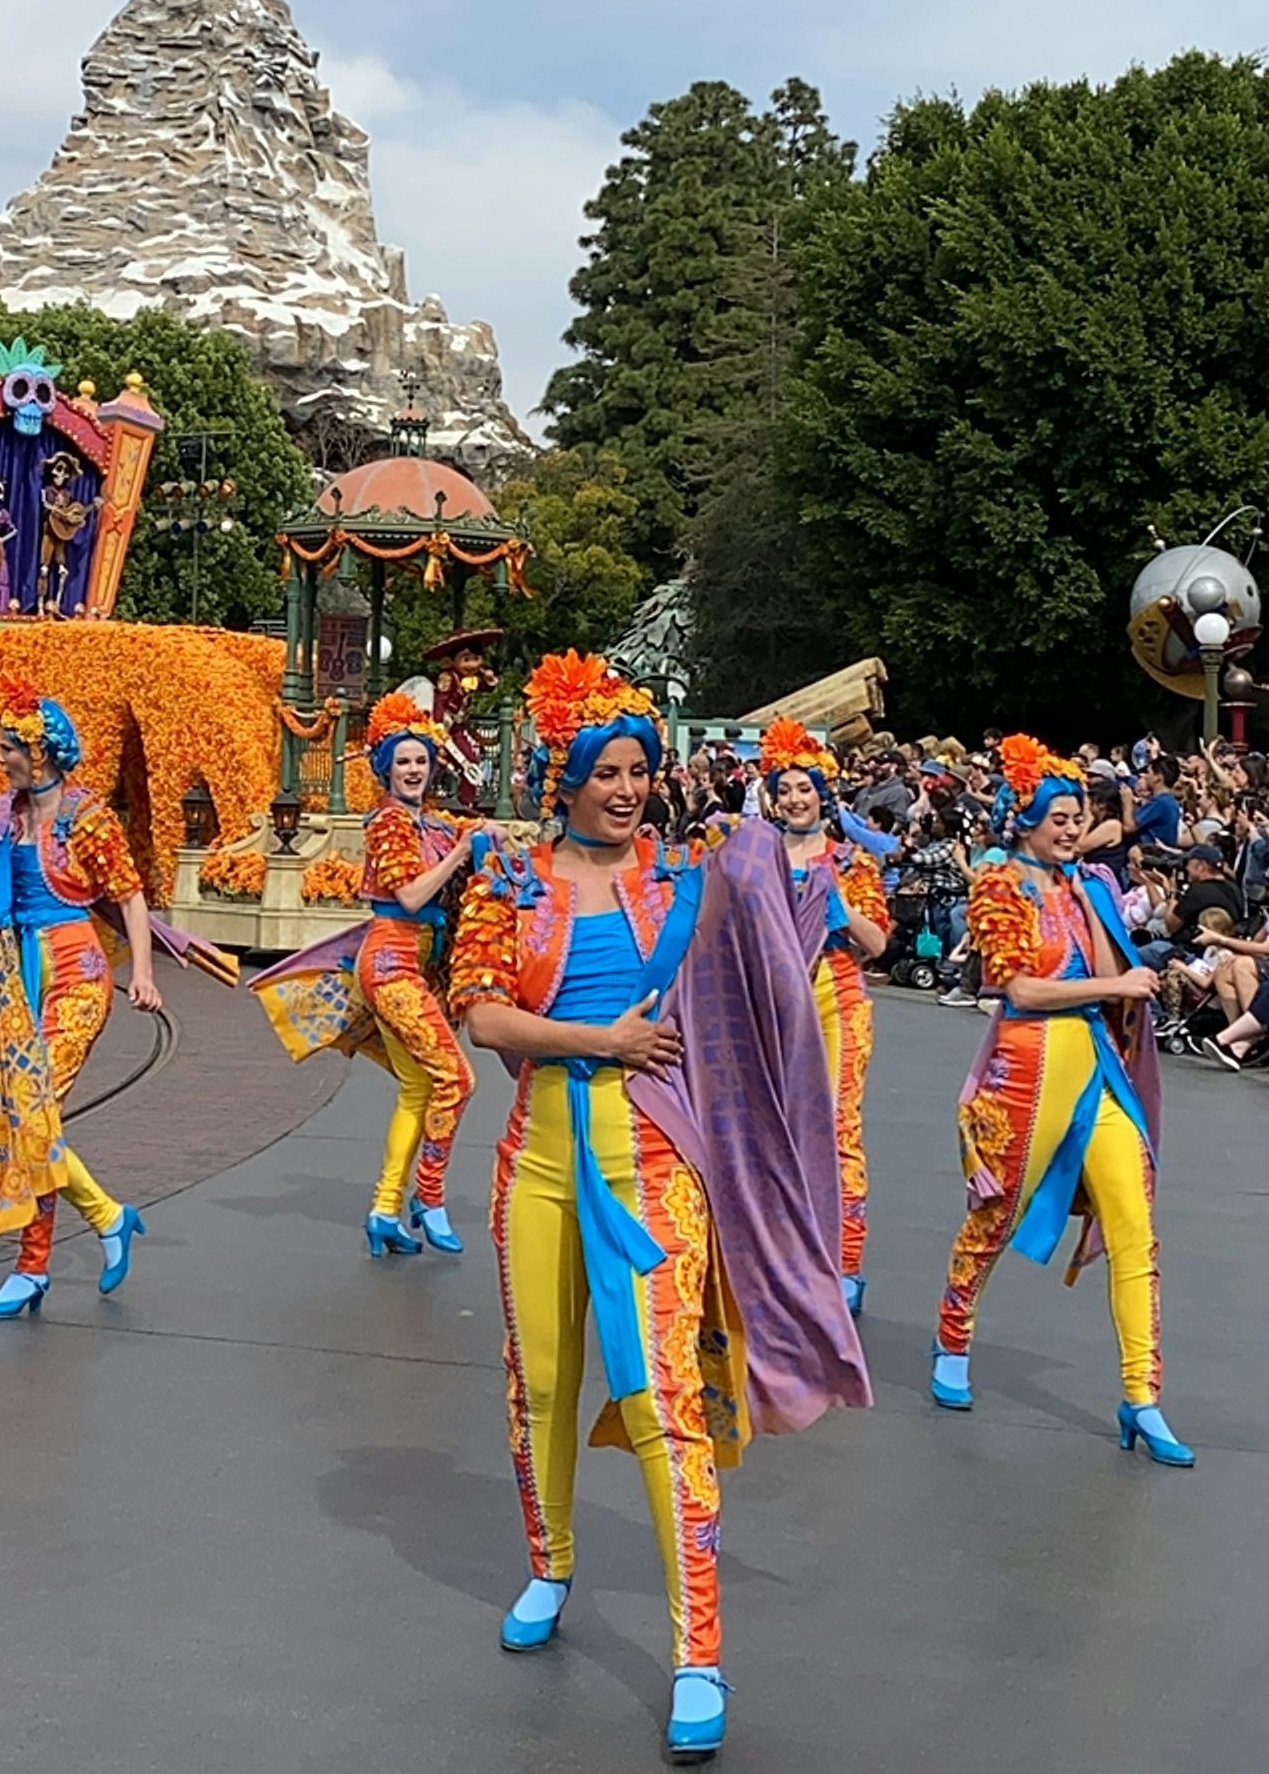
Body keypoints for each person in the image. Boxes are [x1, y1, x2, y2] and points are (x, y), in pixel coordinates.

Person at [441, 650, 861, 1763]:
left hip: (655, 1160)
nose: (627, 790)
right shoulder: (507, 881)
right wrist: (602, 1040)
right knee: (539, 1380)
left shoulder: (684, 880)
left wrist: (803, 849)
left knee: (664, 1394)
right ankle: (552, 1563)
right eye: (607, 772)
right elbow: (482, 1018)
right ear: (562, 779)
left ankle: (698, 1653)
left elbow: (776, 929)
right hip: (535, 1158)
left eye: (640, 771)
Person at [928, 736, 1190, 1465]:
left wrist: (1091, 904)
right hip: (1026, 1064)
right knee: (995, 1215)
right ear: (1025, 817)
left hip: (1098, 1067)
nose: (1073, 827)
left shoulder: (1091, 885)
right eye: (1061, 815)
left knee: (1135, 1224)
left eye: (1080, 815)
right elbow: (1019, 989)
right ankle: (953, 1336)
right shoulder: (998, 885)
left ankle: (1142, 1394)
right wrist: (1114, 985)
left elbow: (1118, 973)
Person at [0, 673, 173, 1318]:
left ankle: (33, 1266)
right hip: (13, 975)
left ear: (41, 751)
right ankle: (105, 1219)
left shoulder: (90, 819)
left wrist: (142, 971)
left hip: (75, 974)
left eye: (8, 749)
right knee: (30, 1120)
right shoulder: (4, 815)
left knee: (33, 1114)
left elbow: (131, 896)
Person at [255, 688, 491, 1255]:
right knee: (456, 1082)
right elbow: (410, 895)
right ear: (386, 768)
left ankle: (385, 1209)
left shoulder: (429, 824)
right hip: (390, 964)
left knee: (419, 1085)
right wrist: (463, 853)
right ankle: (428, 1198)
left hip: (419, 966)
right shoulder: (389, 824)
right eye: (403, 761)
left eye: (421, 761)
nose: (413, 770)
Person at [759, 717, 890, 1309]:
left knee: (838, 1130)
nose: (794, 799)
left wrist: (836, 907)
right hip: (773, 1001)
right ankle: (783, 1253)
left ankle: (847, 1259)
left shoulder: (852, 861)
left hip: (837, 997)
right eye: (784, 790)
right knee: (774, 1126)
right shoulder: (757, 857)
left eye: (804, 788)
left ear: (822, 792)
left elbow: (879, 944)